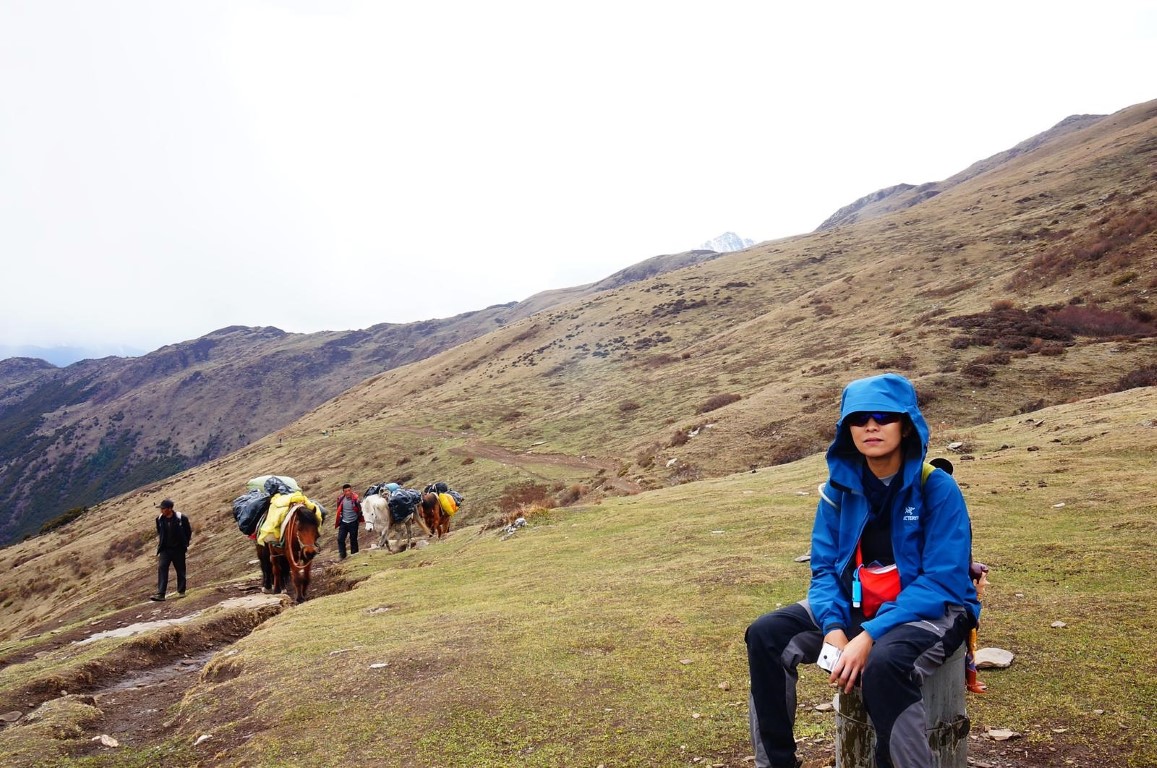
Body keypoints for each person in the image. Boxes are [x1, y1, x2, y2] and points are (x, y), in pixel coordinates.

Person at [745, 373, 980, 768]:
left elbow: (943, 580)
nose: (871, 426)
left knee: (886, 666)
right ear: (846, 430)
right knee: (766, 635)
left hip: (934, 609)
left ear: (906, 425)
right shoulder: (837, 491)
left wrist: (869, 635)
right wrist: (836, 629)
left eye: (884, 416)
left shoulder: (935, 487)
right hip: (859, 605)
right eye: (858, 418)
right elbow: (823, 571)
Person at [151, 499, 192, 601]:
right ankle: (161, 594)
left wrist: (184, 544)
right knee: (162, 568)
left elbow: (188, 531)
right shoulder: (159, 519)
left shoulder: (181, 518)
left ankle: (181, 591)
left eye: (163, 508)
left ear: (170, 509)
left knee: (180, 569)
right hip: (165, 549)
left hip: (178, 549)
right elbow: (160, 532)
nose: (161, 511)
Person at [334, 483, 364, 559]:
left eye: (349, 490)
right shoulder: (341, 499)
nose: (347, 492)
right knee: (340, 539)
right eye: (345, 491)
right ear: (343, 492)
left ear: (351, 490)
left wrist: (358, 518)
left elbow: (360, 510)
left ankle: (354, 555)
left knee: (353, 539)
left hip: (353, 522)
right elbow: (339, 509)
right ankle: (342, 555)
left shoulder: (356, 499)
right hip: (344, 522)